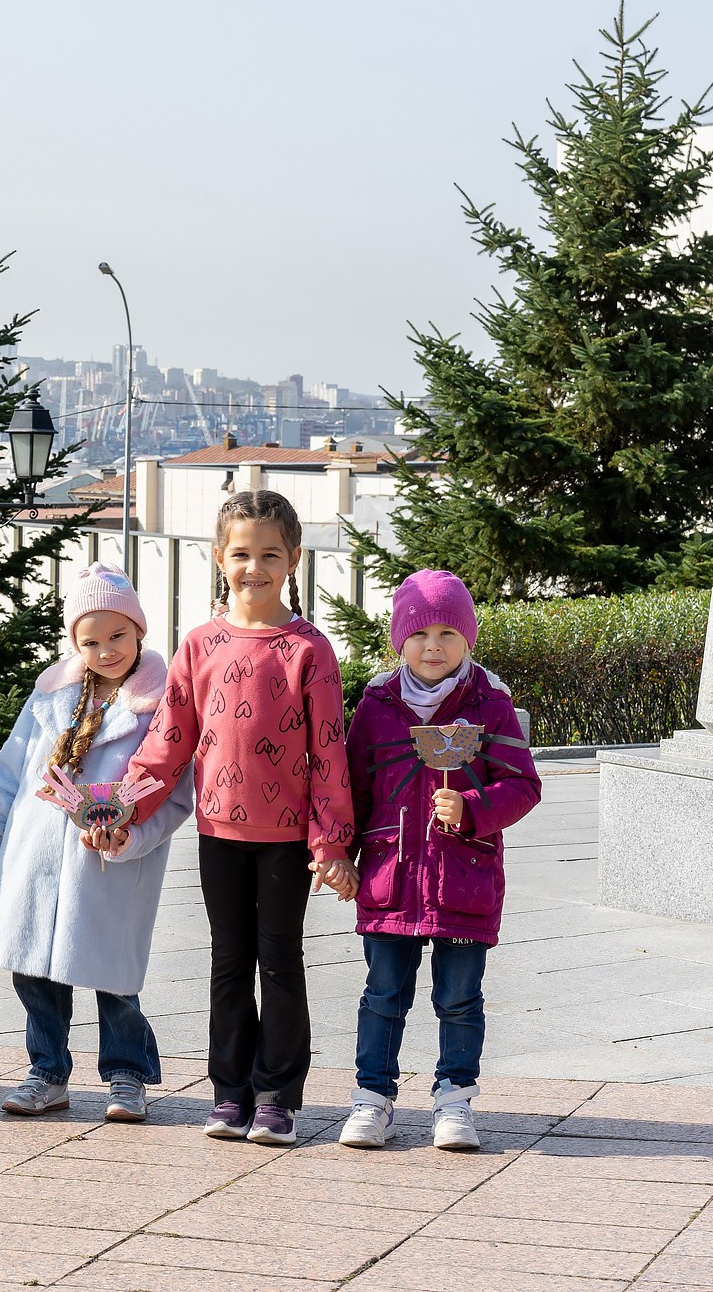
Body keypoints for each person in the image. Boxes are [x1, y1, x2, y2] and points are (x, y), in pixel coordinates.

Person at [122, 489, 356, 1146]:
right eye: (241, 553)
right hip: (219, 835)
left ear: (294, 560)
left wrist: (332, 843)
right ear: (219, 557)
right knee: (228, 963)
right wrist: (121, 806)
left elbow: (330, 751)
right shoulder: (200, 645)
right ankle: (230, 1092)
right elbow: (167, 740)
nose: (254, 566)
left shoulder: (310, 649)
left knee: (279, 962)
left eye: (269, 554)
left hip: (286, 842)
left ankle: (278, 1095)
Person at [0, 564, 194, 1120]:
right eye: (90, 640)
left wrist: (131, 837)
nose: (106, 650)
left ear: (139, 631)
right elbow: (12, 766)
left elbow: (171, 793)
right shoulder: (52, 693)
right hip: (37, 852)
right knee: (33, 969)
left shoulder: (160, 704)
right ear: (74, 641)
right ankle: (46, 1071)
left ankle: (128, 1075)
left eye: (117, 635)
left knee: (111, 973)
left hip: (106, 863)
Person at [339, 569, 541, 1151]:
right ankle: (372, 1097)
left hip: (463, 879)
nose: (434, 646)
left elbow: (523, 785)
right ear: (397, 639)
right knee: (382, 994)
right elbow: (353, 787)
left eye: (449, 633)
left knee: (459, 999)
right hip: (391, 877)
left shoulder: (489, 705)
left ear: (468, 640)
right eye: (420, 632)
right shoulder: (376, 706)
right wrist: (341, 855)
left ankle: (455, 1098)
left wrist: (474, 806)